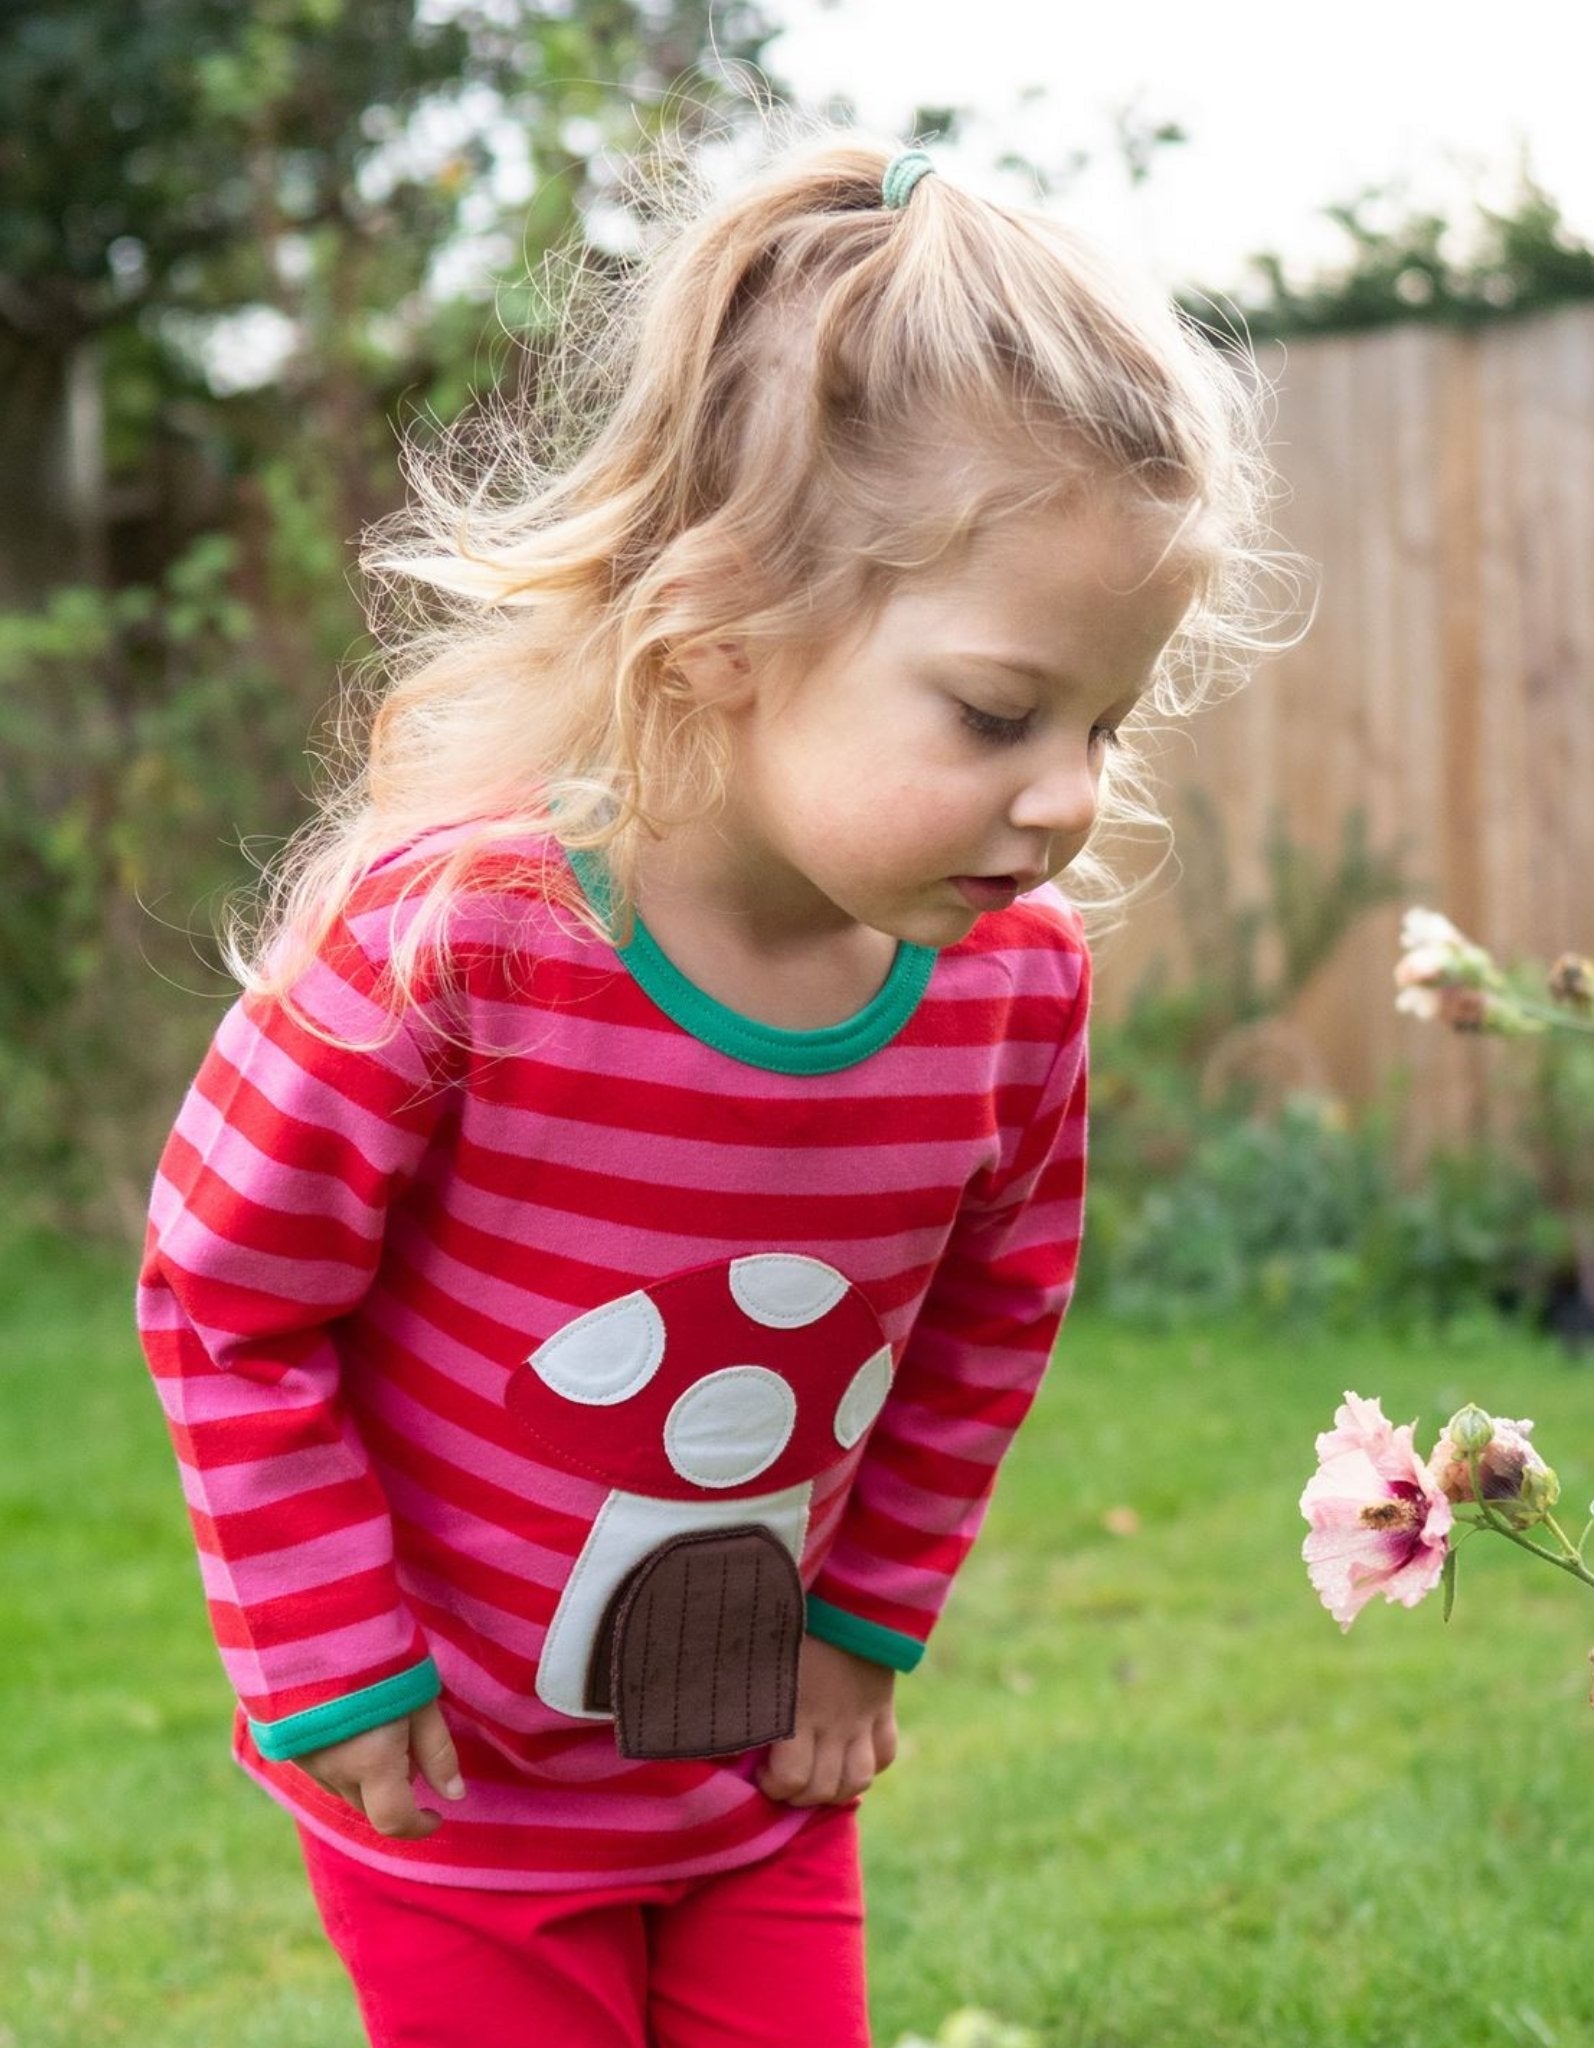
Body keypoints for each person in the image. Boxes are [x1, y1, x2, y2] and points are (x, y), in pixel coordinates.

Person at [136, 120, 1288, 2048]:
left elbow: (985, 1329)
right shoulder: (459, 950)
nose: (1071, 791)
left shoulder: (1003, 1000)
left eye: (1109, 716)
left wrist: (855, 1636)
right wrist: (330, 1658)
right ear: (726, 631)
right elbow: (224, 1294)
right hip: (453, 1787)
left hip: (749, 1773)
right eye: (1001, 713)